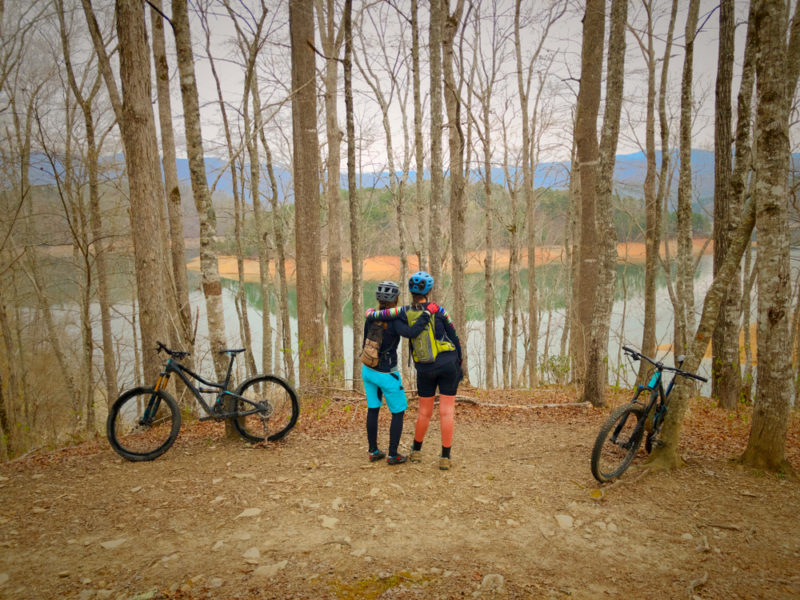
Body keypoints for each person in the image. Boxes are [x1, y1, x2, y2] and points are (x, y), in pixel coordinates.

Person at [366, 271, 462, 471]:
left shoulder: (404, 312)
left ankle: (416, 451)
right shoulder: (440, 311)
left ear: (410, 291)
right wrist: (459, 364)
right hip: (448, 365)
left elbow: (379, 315)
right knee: (446, 412)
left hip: (424, 368)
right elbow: (454, 337)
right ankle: (445, 457)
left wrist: (369, 313)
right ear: (429, 290)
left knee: (424, 412)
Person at [361, 281, 432, 465]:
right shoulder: (395, 320)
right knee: (398, 412)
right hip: (387, 374)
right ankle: (393, 455)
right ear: (396, 299)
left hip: (368, 370)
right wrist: (426, 315)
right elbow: (412, 333)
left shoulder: (370, 317)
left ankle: (373, 451)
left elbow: (364, 342)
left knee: (373, 409)